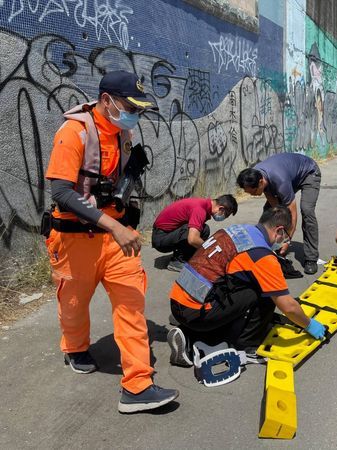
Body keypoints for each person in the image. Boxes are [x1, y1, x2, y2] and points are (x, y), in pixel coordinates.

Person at [44, 70, 178, 413]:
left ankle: (137, 385)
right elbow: (60, 191)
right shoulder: (73, 133)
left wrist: (127, 206)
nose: (136, 113)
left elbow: (114, 183)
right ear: (106, 100)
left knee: (132, 303)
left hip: (115, 240)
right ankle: (74, 347)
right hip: (75, 241)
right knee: (74, 306)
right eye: (129, 106)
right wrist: (114, 227)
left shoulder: (123, 133)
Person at [166, 206, 326, 367]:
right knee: (265, 293)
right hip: (195, 311)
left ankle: (188, 332)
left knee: (245, 285)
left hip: (178, 300)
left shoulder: (239, 230)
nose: (284, 242)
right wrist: (309, 324)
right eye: (286, 237)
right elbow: (288, 306)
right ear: (279, 230)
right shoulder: (261, 255)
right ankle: (246, 346)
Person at [236, 153, 321, 275]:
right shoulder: (256, 174)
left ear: (261, 182)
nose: (252, 195)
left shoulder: (279, 180)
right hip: (290, 175)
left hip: (309, 173)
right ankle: (264, 247)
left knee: (307, 210)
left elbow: (292, 211)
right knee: (269, 212)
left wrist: (287, 240)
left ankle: (311, 258)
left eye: (253, 192)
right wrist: (277, 237)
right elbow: (276, 207)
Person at [152, 195, 238, 271]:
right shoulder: (200, 209)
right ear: (221, 208)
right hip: (160, 238)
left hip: (167, 234)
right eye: (226, 215)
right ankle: (177, 261)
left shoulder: (203, 205)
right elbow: (192, 239)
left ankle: (187, 256)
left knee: (204, 229)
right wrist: (210, 250)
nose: (225, 218)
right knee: (190, 232)